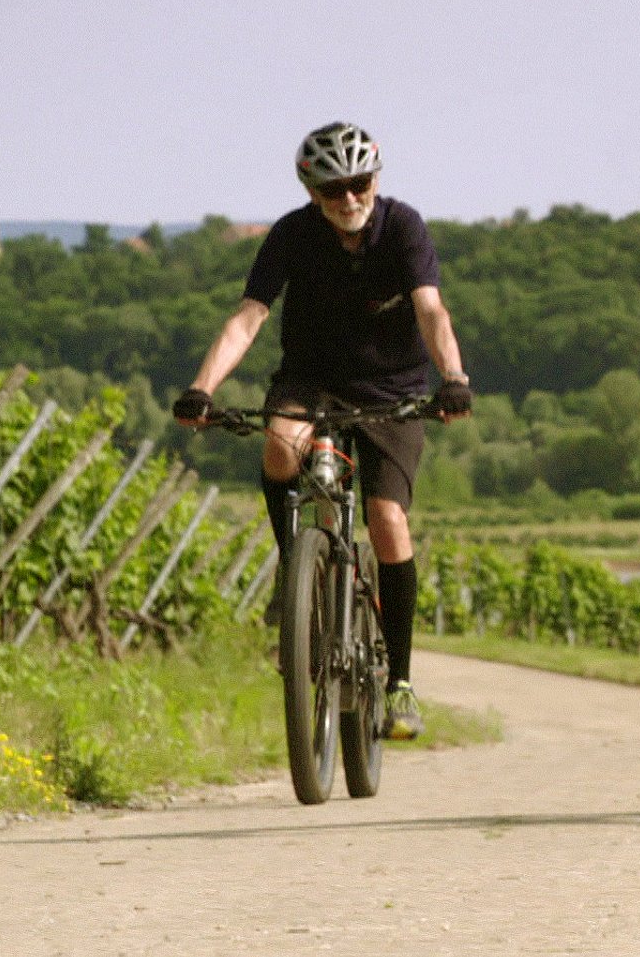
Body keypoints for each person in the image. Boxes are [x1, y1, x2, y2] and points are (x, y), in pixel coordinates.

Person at [173, 121, 473, 738]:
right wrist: (203, 388)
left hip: (391, 390)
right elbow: (248, 318)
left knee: (387, 519)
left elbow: (431, 309)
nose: (349, 200)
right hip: (310, 380)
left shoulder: (403, 229)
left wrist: (454, 377)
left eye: (359, 184)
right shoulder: (291, 235)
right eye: (334, 190)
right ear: (312, 192)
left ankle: (401, 683)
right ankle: (296, 575)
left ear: (376, 180)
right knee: (281, 445)